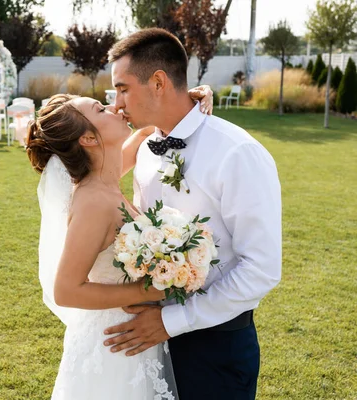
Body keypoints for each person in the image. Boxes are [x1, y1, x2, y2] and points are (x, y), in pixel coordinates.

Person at [102, 28, 282, 399]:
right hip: (148, 343)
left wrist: (171, 321)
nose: (117, 103)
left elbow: (261, 269)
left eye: (122, 88)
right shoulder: (146, 149)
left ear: (158, 82)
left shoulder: (238, 154)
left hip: (215, 350)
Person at [26, 84, 213, 399]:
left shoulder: (105, 177)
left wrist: (184, 101)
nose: (113, 107)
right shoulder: (94, 201)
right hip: (113, 344)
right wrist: (150, 290)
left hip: (132, 336)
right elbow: (66, 290)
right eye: (100, 109)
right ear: (87, 139)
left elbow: (142, 136)